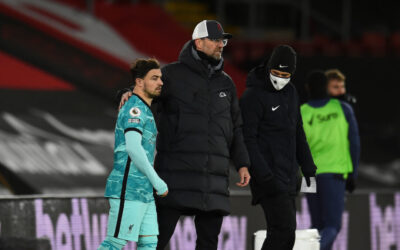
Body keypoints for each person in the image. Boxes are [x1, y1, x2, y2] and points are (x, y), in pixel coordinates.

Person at [119, 20, 251, 250]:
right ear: (198, 42)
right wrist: (129, 94)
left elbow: (236, 127)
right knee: (154, 242)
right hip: (174, 176)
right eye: (215, 40)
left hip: (214, 181)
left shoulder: (226, 84)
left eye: (223, 40)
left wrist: (242, 163)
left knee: (208, 243)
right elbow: (145, 94)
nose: (221, 45)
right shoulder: (170, 75)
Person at [239, 45, 317, 250]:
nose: (280, 78)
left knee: (286, 234)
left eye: (286, 74)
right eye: (276, 73)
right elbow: (248, 139)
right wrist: (264, 175)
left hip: (289, 175)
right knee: (283, 229)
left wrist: (308, 167)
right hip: (269, 177)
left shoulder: (291, 92)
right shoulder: (252, 97)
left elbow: (297, 131)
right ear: (268, 68)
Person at [99, 58, 168, 250]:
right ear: (139, 82)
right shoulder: (134, 109)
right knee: (115, 243)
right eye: (154, 78)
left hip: (143, 191)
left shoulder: (144, 109)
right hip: (127, 188)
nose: (160, 82)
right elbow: (133, 148)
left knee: (149, 243)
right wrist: (157, 181)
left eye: (160, 78)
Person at [301, 70, 360, 250]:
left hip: (308, 178)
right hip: (333, 173)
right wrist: (353, 175)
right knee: (333, 226)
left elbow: (292, 147)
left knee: (317, 228)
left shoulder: (300, 112)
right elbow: (355, 144)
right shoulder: (342, 109)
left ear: (308, 89)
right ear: (326, 88)